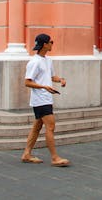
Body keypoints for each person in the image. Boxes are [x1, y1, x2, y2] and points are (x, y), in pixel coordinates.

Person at [21, 33, 70, 167]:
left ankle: (26, 154)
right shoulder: (34, 62)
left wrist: (60, 80)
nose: (52, 44)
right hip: (40, 99)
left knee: (37, 127)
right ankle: (55, 158)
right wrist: (44, 87)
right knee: (51, 126)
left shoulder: (48, 60)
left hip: (46, 97)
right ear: (44, 44)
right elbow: (27, 82)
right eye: (51, 42)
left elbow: (51, 76)